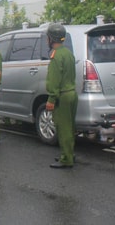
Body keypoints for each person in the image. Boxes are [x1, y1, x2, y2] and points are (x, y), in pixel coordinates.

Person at [45, 23, 78, 169]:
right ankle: (69, 153)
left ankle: (66, 159)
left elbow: (54, 79)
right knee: (70, 127)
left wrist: (51, 98)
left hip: (62, 96)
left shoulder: (56, 55)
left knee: (63, 128)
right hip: (71, 93)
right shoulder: (68, 53)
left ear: (51, 38)